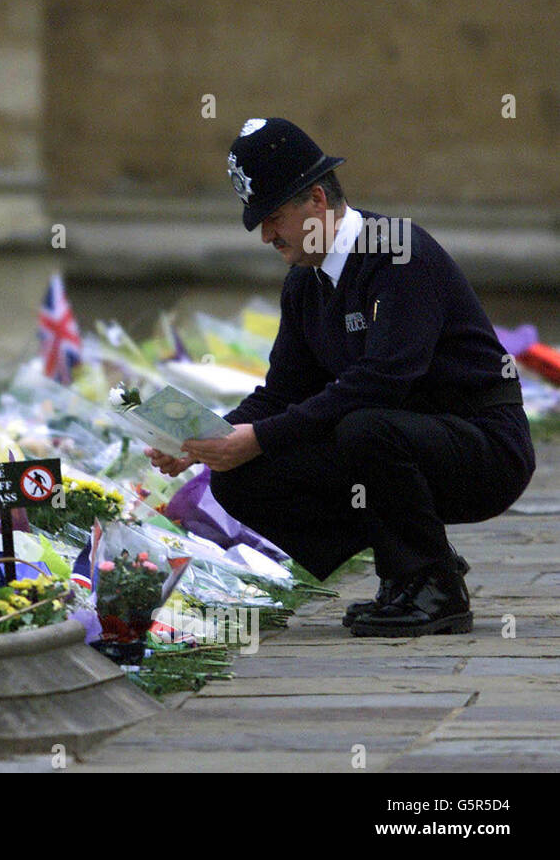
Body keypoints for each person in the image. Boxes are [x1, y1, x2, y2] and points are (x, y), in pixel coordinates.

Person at [145, 117, 535, 637]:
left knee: (364, 426)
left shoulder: (398, 252)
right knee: (241, 476)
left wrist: (259, 437)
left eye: (274, 217)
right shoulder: (305, 283)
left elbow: (383, 381)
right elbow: (283, 391)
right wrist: (205, 440)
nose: (266, 235)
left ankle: (433, 584)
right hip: (399, 444)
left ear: (317, 202)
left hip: (485, 448)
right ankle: (417, 566)